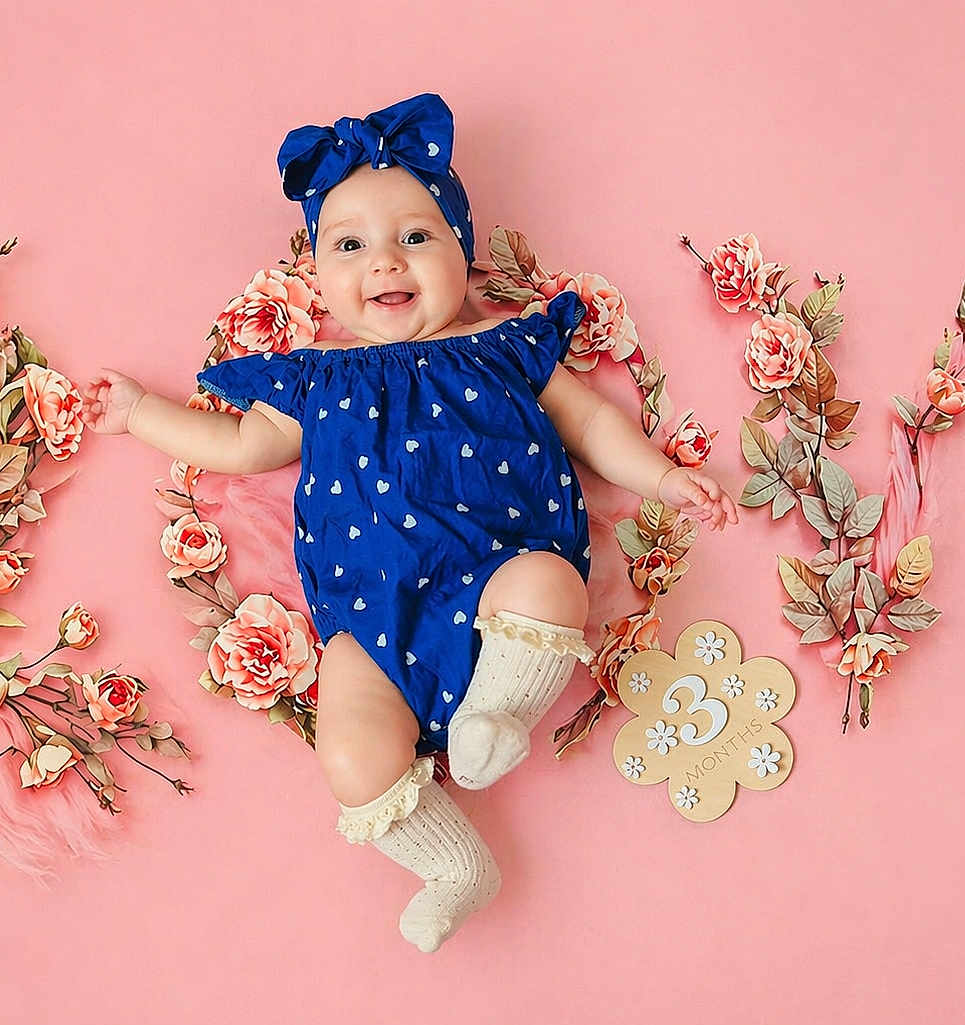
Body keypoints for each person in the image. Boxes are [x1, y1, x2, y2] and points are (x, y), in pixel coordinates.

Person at [81, 92, 738, 952]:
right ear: (317, 271)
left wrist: (658, 476)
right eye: (349, 245)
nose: (384, 260)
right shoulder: (315, 381)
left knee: (552, 584)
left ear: (460, 249)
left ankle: (496, 713)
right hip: (371, 621)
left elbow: (590, 426)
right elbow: (239, 444)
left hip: (499, 572)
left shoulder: (500, 347)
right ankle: (454, 863)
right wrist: (140, 415)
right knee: (349, 752)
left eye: (415, 236)